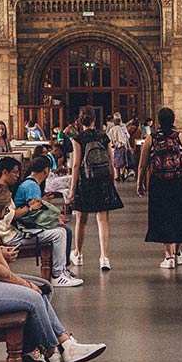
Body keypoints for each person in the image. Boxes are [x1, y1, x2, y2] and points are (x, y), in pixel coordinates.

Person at [0, 183, 106, 362]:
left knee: (40, 289)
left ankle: (65, 344)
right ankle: (53, 351)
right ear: (5, 209)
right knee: (33, 297)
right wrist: (23, 284)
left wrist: (22, 283)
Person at [0, 157, 81, 287]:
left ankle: (61, 270)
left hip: (16, 231)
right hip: (12, 236)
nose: (17, 176)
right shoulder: (0, 193)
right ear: (4, 172)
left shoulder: (3, 190)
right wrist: (30, 208)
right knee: (60, 233)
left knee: (61, 232)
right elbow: (10, 215)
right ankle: (58, 275)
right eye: (14, 172)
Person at [137, 108, 182, 268]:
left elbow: (143, 164)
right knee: (179, 215)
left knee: (163, 216)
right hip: (179, 181)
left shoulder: (151, 139)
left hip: (159, 183)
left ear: (158, 121)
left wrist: (139, 183)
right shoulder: (181, 137)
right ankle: (178, 252)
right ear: (173, 120)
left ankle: (168, 256)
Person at [68, 106, 124, 271]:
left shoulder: (78, 139)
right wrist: (113, 181)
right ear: (94, 120)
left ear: (80, 120)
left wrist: (72, 189)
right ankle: (104, 257)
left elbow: (77, 164)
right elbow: (110, 159)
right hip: (102, 180)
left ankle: (78, 254)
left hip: (85, 181)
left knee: (81, 219)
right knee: (103, 219)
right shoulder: (103, 136)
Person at [106, 114, 131, 181]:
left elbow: (109, 138)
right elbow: (123, 139)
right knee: (122, 163)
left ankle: (117, 176)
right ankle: (122, 174)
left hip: (114, 149)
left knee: (116, 163)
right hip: (121, 147)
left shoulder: (111, 130)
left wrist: (113, 144)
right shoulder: (121, 129)